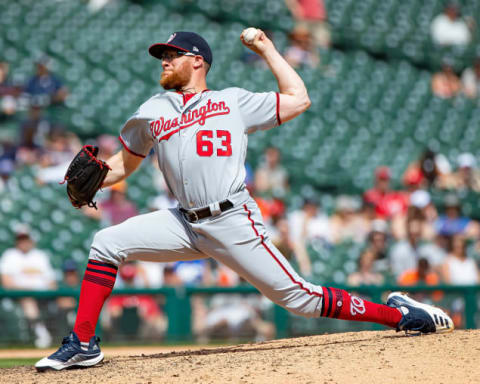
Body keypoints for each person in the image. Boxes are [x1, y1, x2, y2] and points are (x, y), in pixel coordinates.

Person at [35, 30, 453, 371]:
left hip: (231, 219)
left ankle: (399, 314)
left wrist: (267, 48)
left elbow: (299, 99)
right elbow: (126, 165)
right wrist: (96, 180)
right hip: (184, 222)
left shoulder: (231, 101)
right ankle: (84, 343)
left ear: (197, 61)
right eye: (162, 54)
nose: (164, 60)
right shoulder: (153, 109)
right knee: (106, 242)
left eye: (172, 54)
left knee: (301, 299)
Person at [0, 225, 57, 348]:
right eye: (21, 239)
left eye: (26, 239)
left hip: (43, 294)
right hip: (20, 294)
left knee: (65, 300)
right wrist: (27, 289)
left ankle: (74, 336)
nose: (23, 242)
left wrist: (51, 291)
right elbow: (6, 282)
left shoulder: (40, 255)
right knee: (28, 301)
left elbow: (52, 281)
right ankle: (42, 333)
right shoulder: (10, 255)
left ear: (31, 240)